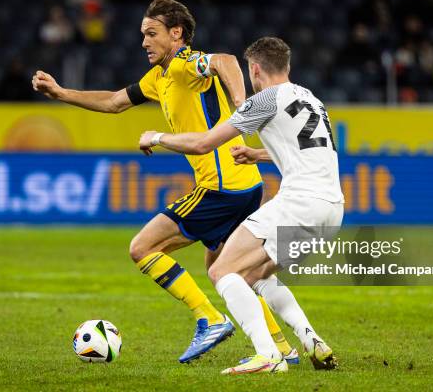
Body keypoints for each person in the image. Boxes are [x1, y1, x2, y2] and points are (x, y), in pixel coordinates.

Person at [32, 0, 296, 364]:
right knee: (231, 272)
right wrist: (61, 93)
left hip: (222, 187)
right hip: (245, 184)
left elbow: (225, 61)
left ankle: (210, 319)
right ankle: (282, 348)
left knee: (142, 248)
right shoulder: (158, 78)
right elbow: (113, 102)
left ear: (177, 34)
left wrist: (241, 104)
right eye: (142, 34)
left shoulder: (187, 63)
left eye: (151, 33)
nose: (144, 42)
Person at [139, 36, 344, 374]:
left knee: (222, 270)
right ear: (287, 67)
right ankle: (311, 340)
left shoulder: (263, 100)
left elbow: (204, 143)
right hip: (332, 208)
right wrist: (258, 154)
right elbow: (307, 151)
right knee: (258, 275)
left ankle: (267, 356)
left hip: (299, 203)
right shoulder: (311, 99)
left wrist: (157, 137)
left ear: (255, 69)